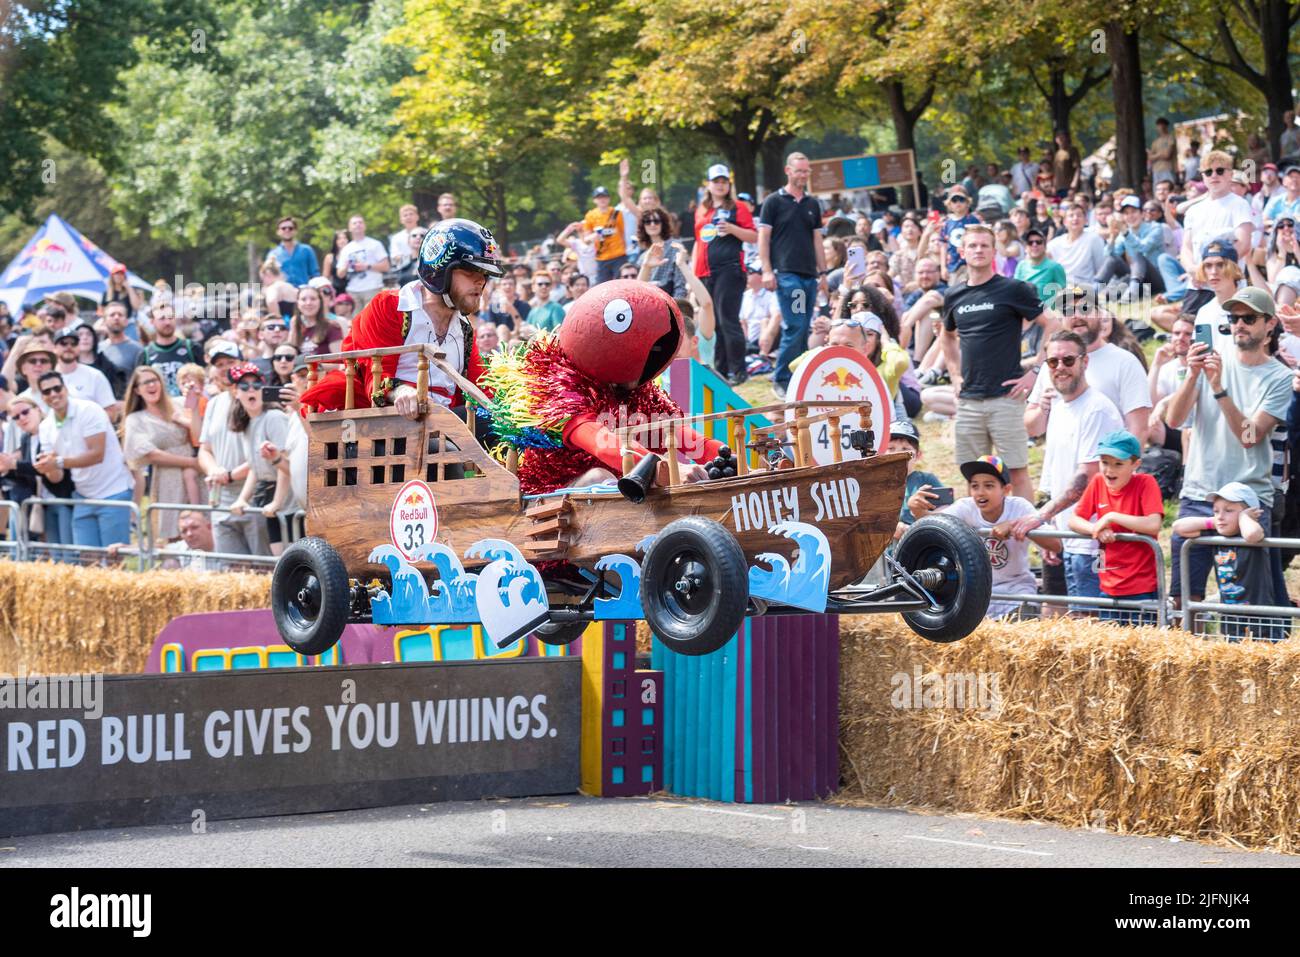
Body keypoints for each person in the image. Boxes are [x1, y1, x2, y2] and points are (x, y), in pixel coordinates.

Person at [1166, 286, 1292, 618]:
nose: (1239, 324)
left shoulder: (1279, 377)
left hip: (1247, 500)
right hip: (1199, 492)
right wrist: (1193, 375)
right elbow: (1174, 419)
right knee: (1182, 603)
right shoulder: (1210, 360)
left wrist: (1219, 388)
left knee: (1244, 609)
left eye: (1249, 318)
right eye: (1234, 317)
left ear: (1269, 326)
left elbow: (1250, 436)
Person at [299, 218, 501, 420]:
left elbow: (483, 391)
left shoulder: (465, 328)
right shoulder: (389, 306)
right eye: (470, 271)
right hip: (392, 424)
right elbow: (375, 377)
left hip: (445, 426)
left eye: (485, 274)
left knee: (502, 424)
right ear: (440, 268)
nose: (481, 281)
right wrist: (402, 392)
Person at [939, 225, 1058, 502]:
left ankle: (1024, 536)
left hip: (1007, 397)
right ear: (962, 252)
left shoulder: (1013, 289)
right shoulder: (953, 295)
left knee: (1016, 472)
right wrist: (955, 376)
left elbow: (1052, 323)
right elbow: (946, 337)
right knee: (974, 476)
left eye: (984, 245)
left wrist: (1037, 371)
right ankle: (978, 542)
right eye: (973, 246)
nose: (978, 250)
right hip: (969, 400)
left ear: (994, 251)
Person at [1012, 331, 1123, 614]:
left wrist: (1042, 517)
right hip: (1064, 535)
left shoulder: (1097, 410)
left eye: (1068, 360)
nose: (1060, 367)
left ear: (1084, 362)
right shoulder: (1059, 407)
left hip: (1090, 541)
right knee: (1054, 618)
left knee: (1089, 625)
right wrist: (1051, 532)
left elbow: (1086, 478)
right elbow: (1051, 477)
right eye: (1052, 362)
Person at [1026, 288, 1151, 446]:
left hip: (1105, 466)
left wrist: (1118, 468)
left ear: (1100, 314)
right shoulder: (1054, 363)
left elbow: (1139, 429)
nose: (1076, 315)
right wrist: (1042, 410)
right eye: (1068, 311)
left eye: (1085, 308)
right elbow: (1032, 429)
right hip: (1059, 468)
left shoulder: (1125, 362)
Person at [940, 454, 1060, 619]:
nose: (980, 493)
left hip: (1016, 589)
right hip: (976, 591)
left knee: (1023, 624)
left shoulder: (1019, 507)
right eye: (975, 486)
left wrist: (1016, 525)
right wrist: (919, 511)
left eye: (989, 486)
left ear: (1006, 489)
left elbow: (1056, 544)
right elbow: (934, 524)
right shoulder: (965, 507)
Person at [1067, 430, 1164, 624]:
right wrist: (1097, 530)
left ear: (1135, 464)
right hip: (1107, 585)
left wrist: (1111, 517)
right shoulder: (1097, 482)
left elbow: (1154, 524)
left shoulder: (1146, 483)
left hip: (1141, 586)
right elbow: (1074, 520)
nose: (1109, 471)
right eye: (1105, 462)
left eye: (1118, 464)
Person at [34, 371, 135, 551]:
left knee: (115, 561)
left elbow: (97, 454)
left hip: (114, 491)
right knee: (87, 562)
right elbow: (56, 477)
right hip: (83, 496)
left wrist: (57, 462)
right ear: (42, 396)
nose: (53, 394)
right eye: (47, 391)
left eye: (57, 388)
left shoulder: (89, 409)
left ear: (65, 388)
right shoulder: (45, 426)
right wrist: (46, 467)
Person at [1171, 482, 1284, 641]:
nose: (1221, 516)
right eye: (1216, 511)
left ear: (1251, 513)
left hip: (1260, 617)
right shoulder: (1217, 532)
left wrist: (1245, 517)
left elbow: (1252, 534)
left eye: (1229, 510)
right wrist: (1213, 521)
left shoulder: (1253, 532)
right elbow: (1179, 526)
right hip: (1230, 615)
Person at [759, 152, 826, 399]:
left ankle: (797, 378)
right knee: (796, 324)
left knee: (803, 327)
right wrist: (766, 270)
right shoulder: (773, 202)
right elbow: (763, 238)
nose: (803, 175)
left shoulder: (812, 204)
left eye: (806, 171)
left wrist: (824, 273)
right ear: (788, 171)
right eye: (799, 171)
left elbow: (817, 240)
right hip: (788, 275)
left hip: (809, 275)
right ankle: (782, 377)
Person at [692, 165, 758, 386]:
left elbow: (753, 236)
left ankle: (738, 370)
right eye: (716, 181)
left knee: (728, 320)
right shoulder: (702, 209)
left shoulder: (738, 207)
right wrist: (693, 273)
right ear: (708, 184)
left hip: (729, 269)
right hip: (704, 271)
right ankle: (719, 370)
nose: (720, 185)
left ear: (728, 184)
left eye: (724, 181)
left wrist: (731, 228)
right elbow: (698, 241)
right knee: (713, 324)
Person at [120, 365, 200, 542]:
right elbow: (151, 455)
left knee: (201, 524)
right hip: (167, 478)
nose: (151, 385)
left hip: (195, 474)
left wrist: (193, 406)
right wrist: (190, 462)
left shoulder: (178, 404)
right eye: (145, 382)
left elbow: (199, 434)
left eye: (154, 380)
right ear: (137, 390)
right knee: (173, 531)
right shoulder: (136, 419)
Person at [225, 363, 295, 556]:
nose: (251, 390)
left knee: (290, 556)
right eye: (244, 386)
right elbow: (255, 469)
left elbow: (285, 464)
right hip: (268, 495)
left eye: (256, 385)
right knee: (278, 557)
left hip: (287, 497)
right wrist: (242, 499)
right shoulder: (246, 424)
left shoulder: (273, 417)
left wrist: (278, 502)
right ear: (235, 392)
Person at [1181, 151, 1255, 272]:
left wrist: (1212, 271)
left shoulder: (1240, 204)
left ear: (1230, 174)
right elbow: (1186, 248)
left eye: (1220, 171)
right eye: (1208, 172)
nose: (1214, 175)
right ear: (1203, 177)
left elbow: (1243, 245)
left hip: (1228, 285)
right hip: (1196, 285)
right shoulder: (1193, 210)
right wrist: (1192, 270)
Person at [885, 420, 942, 538]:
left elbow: (949, 513)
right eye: (891, 448)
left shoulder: (927, 480)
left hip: (922, 546)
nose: (898, 455)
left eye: (905, 449)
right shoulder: (877, 484)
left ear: (918, 455)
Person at [53, 324, 119, 418]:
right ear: (54, 348)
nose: (69, 347)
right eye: (63, 343)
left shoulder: (95, 375)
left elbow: (111, 413)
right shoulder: (47, 379)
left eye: (74, 343)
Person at [137, 300, 203, 396]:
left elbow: (205, 379)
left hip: (189, 406)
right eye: (162, 318)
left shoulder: (192, 348)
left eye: (170, 317)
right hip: (161, 408)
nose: (167, 322)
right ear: (152, 322)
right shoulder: (145, 355)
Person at [335, 215, 391, 312]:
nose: (358, 225)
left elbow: (386, 266)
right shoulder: (346, 249)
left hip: (373, 288)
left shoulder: (375, 244)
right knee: (356, 324)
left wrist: (367, 266)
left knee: (372, 322)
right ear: (349, 228)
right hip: (353, 291)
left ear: (364, 226)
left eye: (360, 222)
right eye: (354, 223)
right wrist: (346, 266)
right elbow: (340, 274)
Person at [1047, 204, 1108, 289]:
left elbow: (1100, 269)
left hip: (1085, 288)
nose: (1075, 218)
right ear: (1064, 222)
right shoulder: (1054, 244)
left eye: (1079, 215)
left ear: (1086, 220)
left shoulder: (1093, 239)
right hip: (1061, 288)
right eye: (1071, 216)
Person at [636, 205, 687, 300]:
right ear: (643, 226)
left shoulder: (675, 247)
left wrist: (676, 308)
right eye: (648, 221)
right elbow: (638, 289)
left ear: (663, 223)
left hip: (670, 301)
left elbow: (680, 285)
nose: (652, 224)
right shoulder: (642, 257)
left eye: (656, 221)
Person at [97, 302, 143, 400]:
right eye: (112, 315)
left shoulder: (138, 350)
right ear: (104, 321)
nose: (116, 317)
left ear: (126, 321)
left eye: (120, 315)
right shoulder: (97, 349)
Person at [583, 186, 629, 284]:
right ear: (594, 200)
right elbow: (586, 239)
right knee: (601, 286)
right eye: (599, 197)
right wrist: (594, 236)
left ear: (608, 198)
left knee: (622, 283)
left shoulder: (616, 213)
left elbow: (622, 232)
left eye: (604, 197)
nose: (602, 200)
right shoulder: (590, 216)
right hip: (602, 258)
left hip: (619, 255)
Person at [288, 284, 343, 357]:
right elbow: (289, 357)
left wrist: (312, 364)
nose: (308, 303)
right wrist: (293, 328)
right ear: (298, 303)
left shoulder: (332, 327)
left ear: (320, 302)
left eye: (313, 299)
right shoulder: (295, 325)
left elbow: (340, 362)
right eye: (303, 299)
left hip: (324, 368)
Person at [268, 216, 319, 287]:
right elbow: (268, 276)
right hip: (282, 292)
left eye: (290, 228)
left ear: (295, 231)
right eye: (283, 228)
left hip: (304, 292)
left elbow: (315, 274)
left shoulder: (306, 250)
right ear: (278, 232)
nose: (287, 230)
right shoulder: (273, 254)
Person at [388, 204, 423, 272]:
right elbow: (395, 258)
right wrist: (412, 257)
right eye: (405, 215)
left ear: (417, 217)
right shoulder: (396, 238)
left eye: (411, 214)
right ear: (401, 220)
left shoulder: (426, 233)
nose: (408, 217)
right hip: (404, 272)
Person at [321, 229, 351, 296]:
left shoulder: (354, 255)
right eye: (339, 239)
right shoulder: (330, 257)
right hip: (336, 291)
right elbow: (325, 277)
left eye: (345, 238)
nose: (342, 241)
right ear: (335, 242)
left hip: (353, 289)